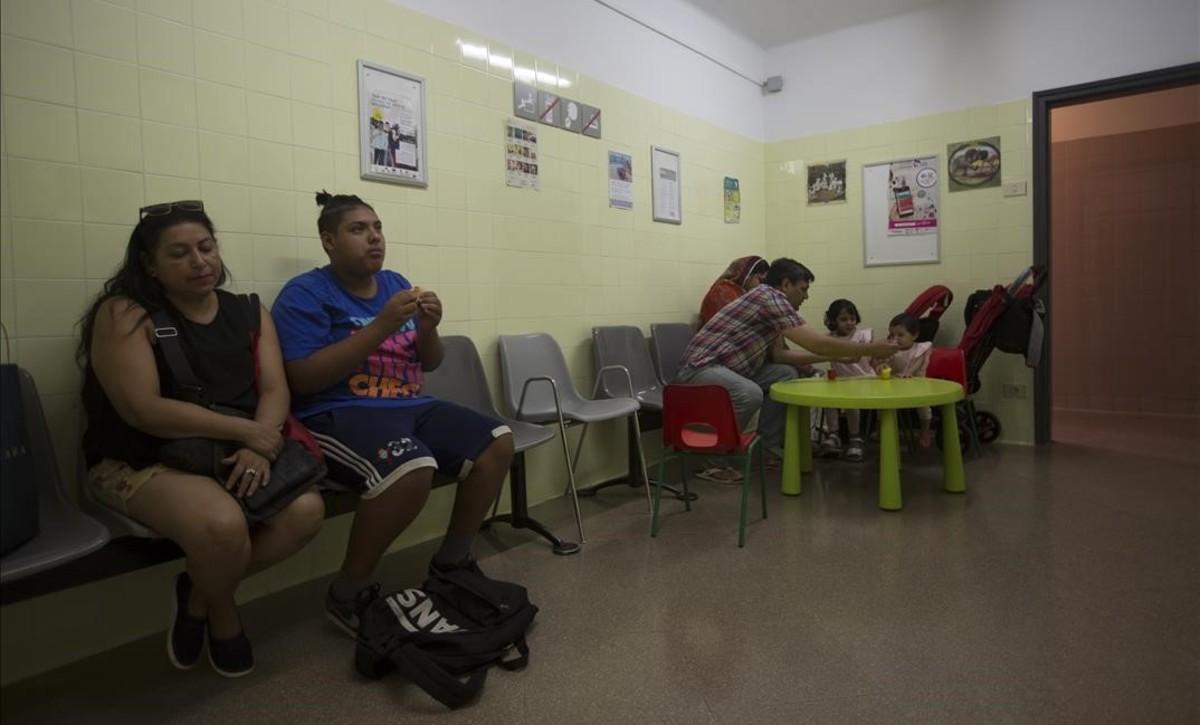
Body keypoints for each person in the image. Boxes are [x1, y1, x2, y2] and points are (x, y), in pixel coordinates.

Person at [79, 201, 325, 678]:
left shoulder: (249, 310)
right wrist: (246, 432)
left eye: (206, 247)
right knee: (223, 525)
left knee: (307, 511)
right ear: (149, 264)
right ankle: (224, 613)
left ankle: (196, 594)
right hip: (136, 459)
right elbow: (142, 409)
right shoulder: (125, 313)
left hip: (229, 452)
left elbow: (276, 389)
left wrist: (258, 444)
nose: (199, 261)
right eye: (179, 253)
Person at [271, 191, 515, 636]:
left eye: (378, 228)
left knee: (497, 440)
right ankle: (349, 592)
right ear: (328, 240)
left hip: (408, 403)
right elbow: (302, 380)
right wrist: (381, 326)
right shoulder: (305, 294)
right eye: (358, 230)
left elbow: (431, 362)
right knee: (411, 467)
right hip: (337, 412)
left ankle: (452, 561)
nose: (374, 239)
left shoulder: (396, 284)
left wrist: (428, 327)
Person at [676, 258, 898, 455]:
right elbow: (817, 343)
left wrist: (837, 357)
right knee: (748, 394)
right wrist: (870, 349)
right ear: (785, 285)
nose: (806, 296)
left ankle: (766, 446)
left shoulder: (769, 303)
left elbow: (780, 355)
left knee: (784, 374)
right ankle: (710, 458)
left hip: (728, 370)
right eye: (803, 289)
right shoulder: (769, 297)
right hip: (699, 370)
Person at [821, 298, 875, 461]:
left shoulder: (862, 335)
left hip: (863, 380)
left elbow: (868, 358)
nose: (849, 323)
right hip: (842, 382)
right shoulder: (829, 338)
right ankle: (834, 434)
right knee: (827, 400)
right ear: (833, 321)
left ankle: (855, 438)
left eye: (852, 319)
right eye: (843, 319)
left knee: (850, 402)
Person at [875, 313, 935, 448]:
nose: (895, 339)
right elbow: (885, 364)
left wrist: (909, 373)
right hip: (896, 385)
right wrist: (882, 365)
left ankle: (925, 432)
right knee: (882, 403)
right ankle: (880, 428)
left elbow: (919, 362)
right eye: (892, 335)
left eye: (900, 335)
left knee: (924, 406)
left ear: (914, 335)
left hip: (916, 385)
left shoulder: (920, 348)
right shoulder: (892, 350)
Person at [699, 256, 769, 326]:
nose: (761, 286)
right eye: (760, 280)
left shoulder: (743, 292)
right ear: (746, 275)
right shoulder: (721, 292)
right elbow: (730, 326)